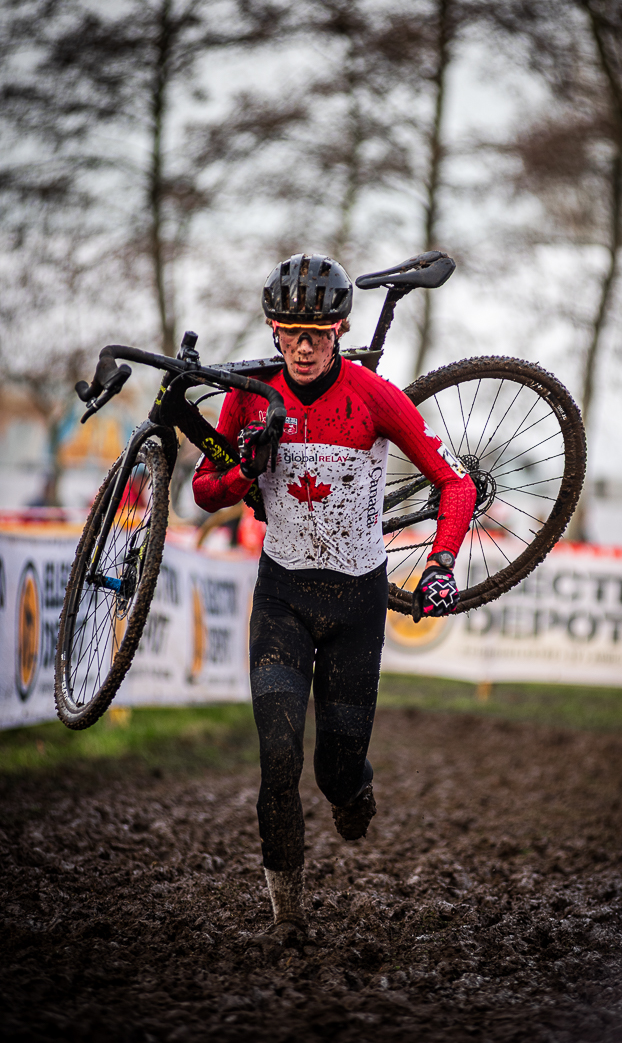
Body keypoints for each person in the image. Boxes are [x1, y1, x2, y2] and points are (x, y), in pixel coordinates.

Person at [193, 253, 476, 942]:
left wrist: (440, 563)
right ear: (273, 331)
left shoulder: (372, 395)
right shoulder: (249, 396)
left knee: (334, 770)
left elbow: (455, 483)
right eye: (291, 333)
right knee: (278, 758)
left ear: (340, 330)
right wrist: (244, 471)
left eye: (317, 334)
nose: (303, 347)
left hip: (356, 606)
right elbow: (203, 491)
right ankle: (286, 916)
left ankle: (354, 791)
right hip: (282, 599)